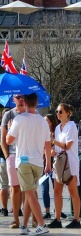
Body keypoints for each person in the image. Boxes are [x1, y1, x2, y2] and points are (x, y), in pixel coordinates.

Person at [6, 93, 51, 235]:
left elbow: (8, 141)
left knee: (29, 193)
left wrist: (10, 127)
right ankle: (24, 226)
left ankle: (42, 225)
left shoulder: (19, 119)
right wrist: (48, 163)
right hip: (38, 162)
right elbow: (48, 144)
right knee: (29, 192)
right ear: (36, 102)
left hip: (24, 160)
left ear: (24, 102)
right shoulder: (43, 121)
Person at [48, 103, 81, 229]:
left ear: (68, 113)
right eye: (57, 111)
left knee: (73, 191)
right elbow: (58, 147)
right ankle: (57, 219)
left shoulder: (72, 126)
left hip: (70, 162)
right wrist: (53, 151)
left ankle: (77, 220)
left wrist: (53, 141)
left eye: (60, 111)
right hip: (59, 161)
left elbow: (67, 146)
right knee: (57, 190)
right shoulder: (57, 128)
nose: (58, 114)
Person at [1, 95, 25, 229]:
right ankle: (16, 218)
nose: (20, 99)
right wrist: (7, 156)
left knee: (27, 189)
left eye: (22, 97)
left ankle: (28, 219)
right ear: (13, 99)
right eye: (17, 97)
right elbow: (3, 139)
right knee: (14, 188)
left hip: (26, 156)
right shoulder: (8, 115)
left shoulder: (29, 114)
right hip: (12, 155)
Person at [41, 114, 58, 219]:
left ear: (51, 122)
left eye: (46, 120)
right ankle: (47, 211)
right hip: (42, 162)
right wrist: (46, 151)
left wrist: (53, 150)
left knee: (56, 188)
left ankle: (57, 209)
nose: (44, 122)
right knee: (44, 188)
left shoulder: (57, 133)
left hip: (55, 163)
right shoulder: (40, 133)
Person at [0, 108, 10, 217]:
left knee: (3, 185)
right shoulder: (14, 127)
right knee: (14, 185)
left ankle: (4, 208)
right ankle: (17, 208)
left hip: (3, 158)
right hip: (12, 157)